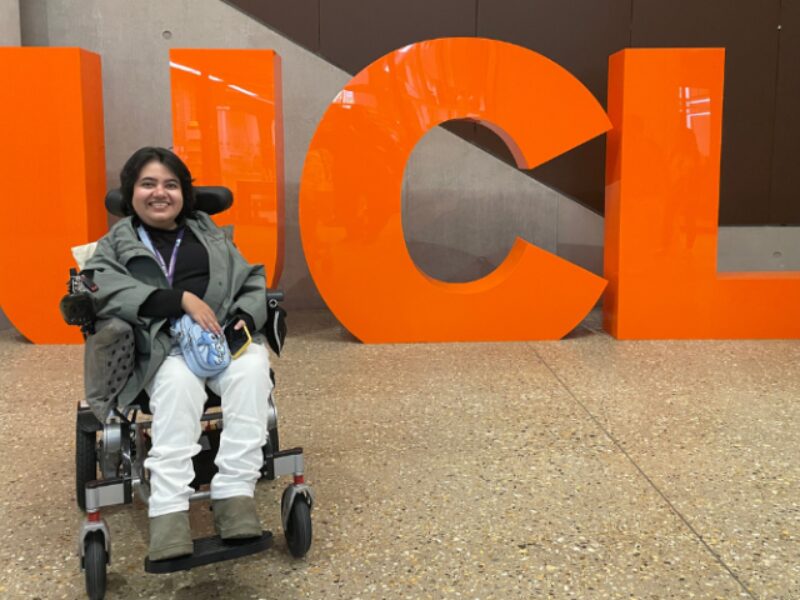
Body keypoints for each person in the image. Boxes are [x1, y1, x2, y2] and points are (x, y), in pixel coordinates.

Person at [84, 147, 272, 561]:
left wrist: (244, 316)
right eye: (148, 183)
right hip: (161, 347)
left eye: (170, 185)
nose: (160, 193)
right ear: (129, 193)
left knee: (254, 368)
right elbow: (100, 286)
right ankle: (168, 511)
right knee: (178, 385)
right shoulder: (114, 245)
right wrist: (179, 299)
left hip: (221, 339)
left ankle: (234, 494)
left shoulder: (208, 232)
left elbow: (251, 279)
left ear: (184, 193)